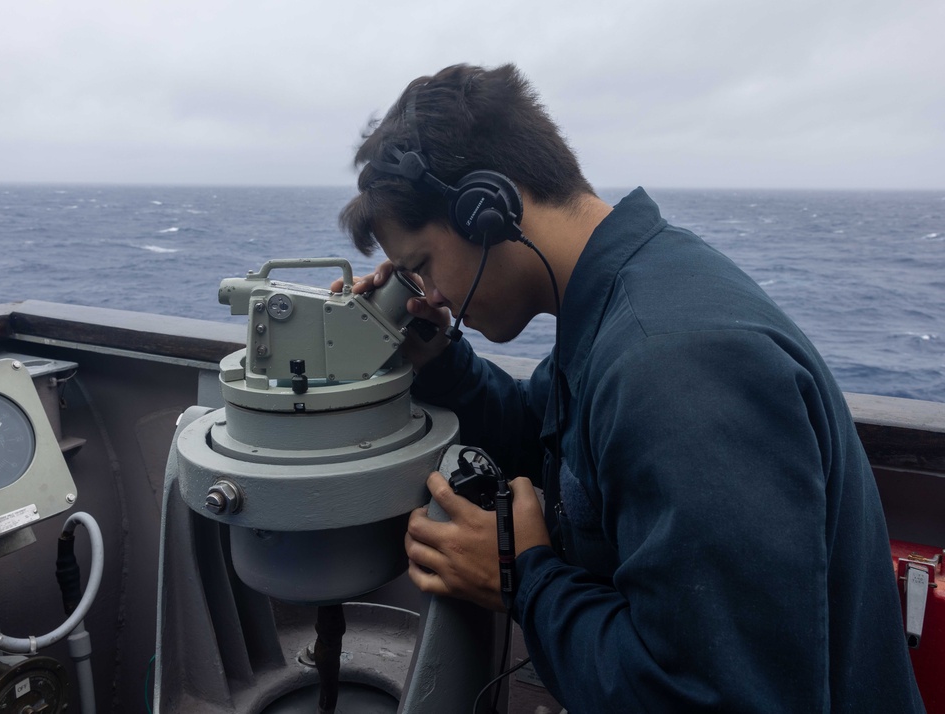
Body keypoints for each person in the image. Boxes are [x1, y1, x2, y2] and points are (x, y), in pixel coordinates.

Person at [336, 63, 924, 712]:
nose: (433, 294)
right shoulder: (620, 301)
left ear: (486, 208)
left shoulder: (677, 365)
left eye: (421, 266)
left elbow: (719, 696)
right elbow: (538, 440)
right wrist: (436, 356)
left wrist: (526, 581)